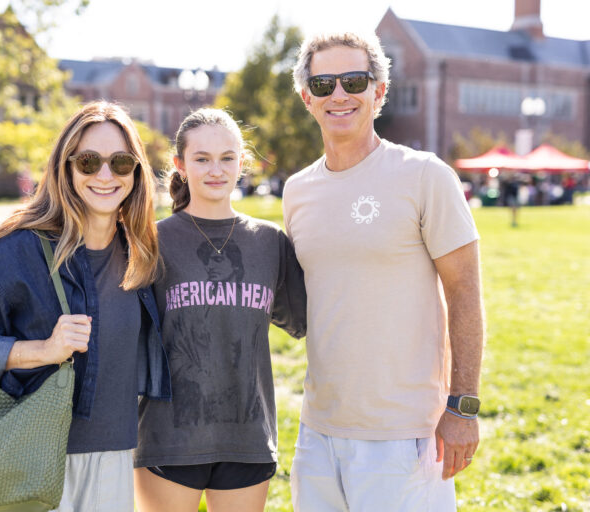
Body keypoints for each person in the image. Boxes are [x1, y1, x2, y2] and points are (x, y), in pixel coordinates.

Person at [0, 101, 171, 512]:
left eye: (120, 162)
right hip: (38, 454)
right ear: (65, 168)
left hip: (117, 454)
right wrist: (43, 350)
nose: (104, 175)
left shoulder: (141, 252)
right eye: (88, 161)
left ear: (135, 171)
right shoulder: (20, 250)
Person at [282, 31, 485, 511]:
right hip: (317, 432)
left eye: (354, 80)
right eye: (325, 83)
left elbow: (465, 295)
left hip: (406, 437)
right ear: (306, 96)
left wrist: (462, 408)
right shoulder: (296, 191)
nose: (339, 94)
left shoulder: (425, 175)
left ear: (380, 91)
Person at [134, 108, 307, 512]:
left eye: (227, 157)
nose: (216, 170)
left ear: (242, 162)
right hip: (168, 438)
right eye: (201, 158)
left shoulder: (270, 243)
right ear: (180, 165)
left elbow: (311, 319)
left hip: (247, 436)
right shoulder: (153, 240)